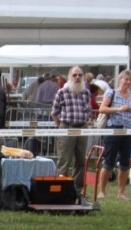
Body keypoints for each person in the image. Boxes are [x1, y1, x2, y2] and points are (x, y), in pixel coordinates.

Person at [96, 69, 131, 199]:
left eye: (130, 80)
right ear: (120, 80)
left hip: (128, 130)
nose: (128, 82)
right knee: (109, 161)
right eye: (126, 79)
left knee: (125, 162)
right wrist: (119, 109)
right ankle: (101, 191)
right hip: (114, 129)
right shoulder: (111, 92)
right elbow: (102, 108)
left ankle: (120, 193)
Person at [50, 66, 91, 200]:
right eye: (75, 75)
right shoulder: (62, 92)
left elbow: (88, 111)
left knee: (80, 161)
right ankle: (60, 191)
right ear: (69, 77)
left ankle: (77, 191)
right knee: (64, 161)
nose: (78, 77)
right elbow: (54, 113)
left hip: (82, 128)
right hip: (66, 127)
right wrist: (61, 127)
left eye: (80, 75)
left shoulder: (86, 93)